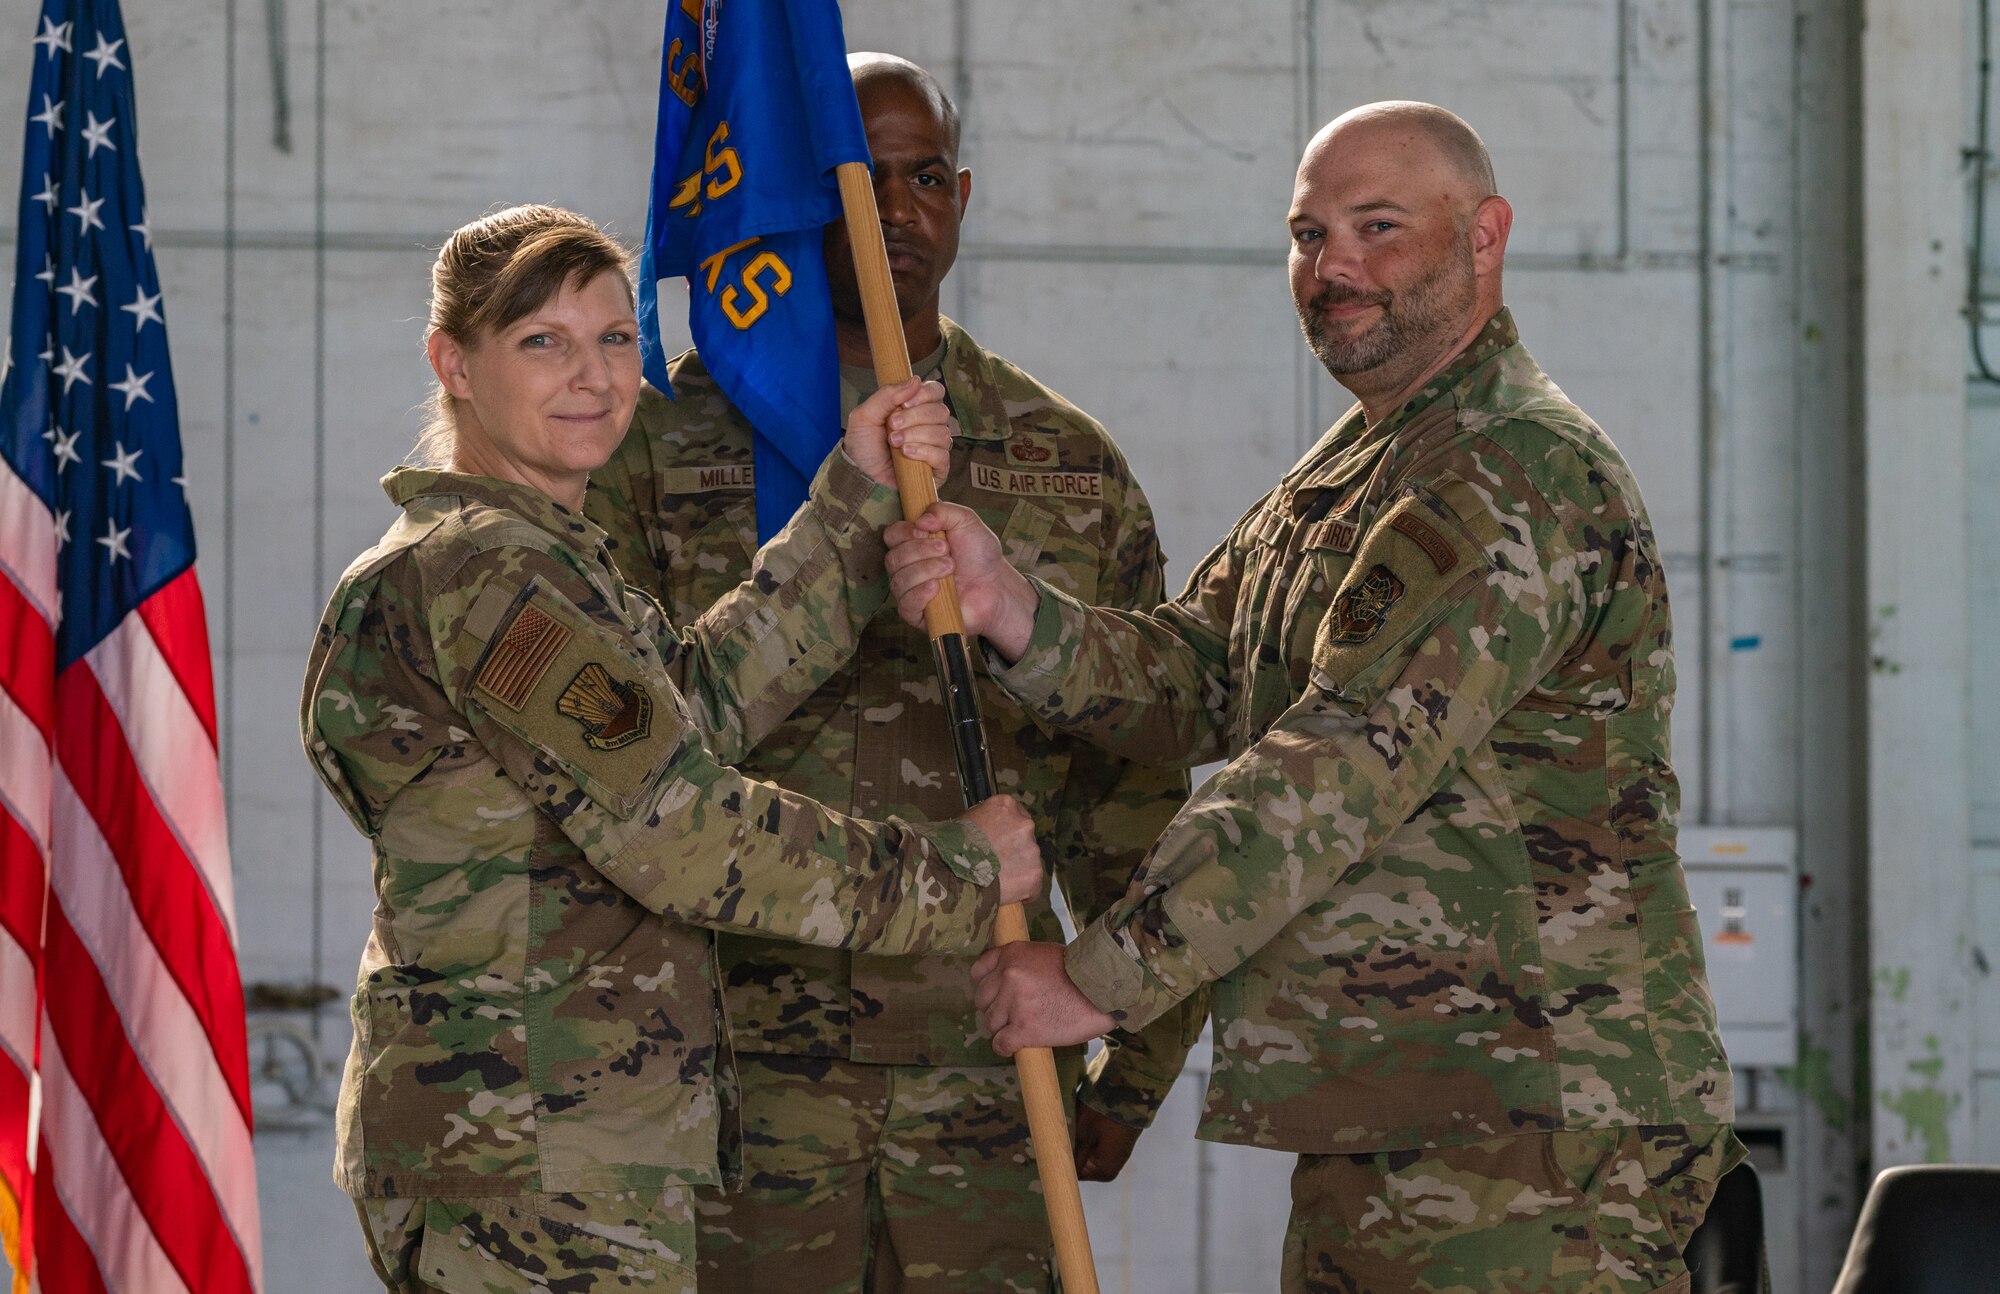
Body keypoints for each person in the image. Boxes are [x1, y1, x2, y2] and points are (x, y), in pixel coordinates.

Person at [883, 103, 1743, 1293]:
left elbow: (1329, 769)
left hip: (1533, 1132)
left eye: (1376, 227)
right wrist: (1011, 609)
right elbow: (1201, 673)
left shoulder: (1513, 471)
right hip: (1400, 1111)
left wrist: (1094, 980)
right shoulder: (1354, 470)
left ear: (1482, 236)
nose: (1331, 267)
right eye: (1306, 234)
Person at [301, 204, 1047, 1294]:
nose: (593, 377)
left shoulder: (539, 559)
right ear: (452, 363)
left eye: (613, 339)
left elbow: (686, 709)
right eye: (540, 341)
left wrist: (852, 496)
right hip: (533, 1141)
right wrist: (960, 873)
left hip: (560, 1126)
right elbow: (681, 828)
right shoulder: (489, 574)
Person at [587, 53, 1202, 1294]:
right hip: (732, 1089)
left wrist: (1130, 1063)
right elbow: (620, 762)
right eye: (861, 180)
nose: (896, 212)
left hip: (984, 1080)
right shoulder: (667, 448)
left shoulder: (1062, 462)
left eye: (924, 178)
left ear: (961, 197)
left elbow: (1135, 778)